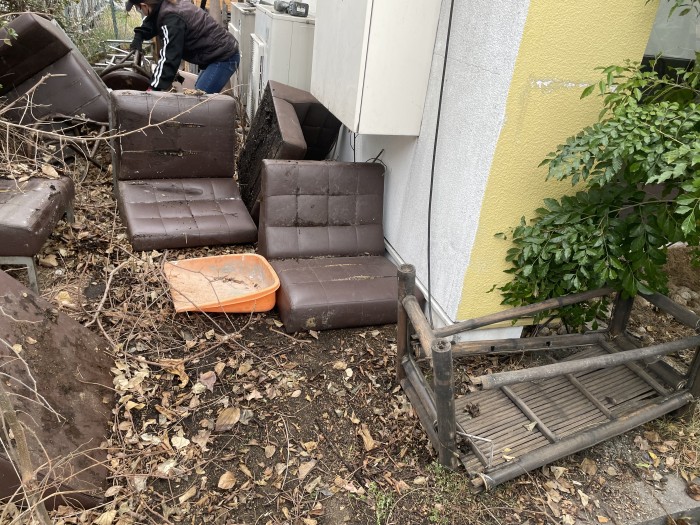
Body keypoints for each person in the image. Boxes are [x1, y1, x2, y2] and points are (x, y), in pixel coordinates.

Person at [126, 0, 240, 94]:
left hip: (224, 56)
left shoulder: (171, 19)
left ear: (144, 5)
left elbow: (170, 57)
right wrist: (139, 36)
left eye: (138, 8)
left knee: (198, 102)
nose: (140, 11)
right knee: (198, 92)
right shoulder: (164, 5)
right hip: (216, 53)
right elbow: (153, 20)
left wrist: (153, 88)